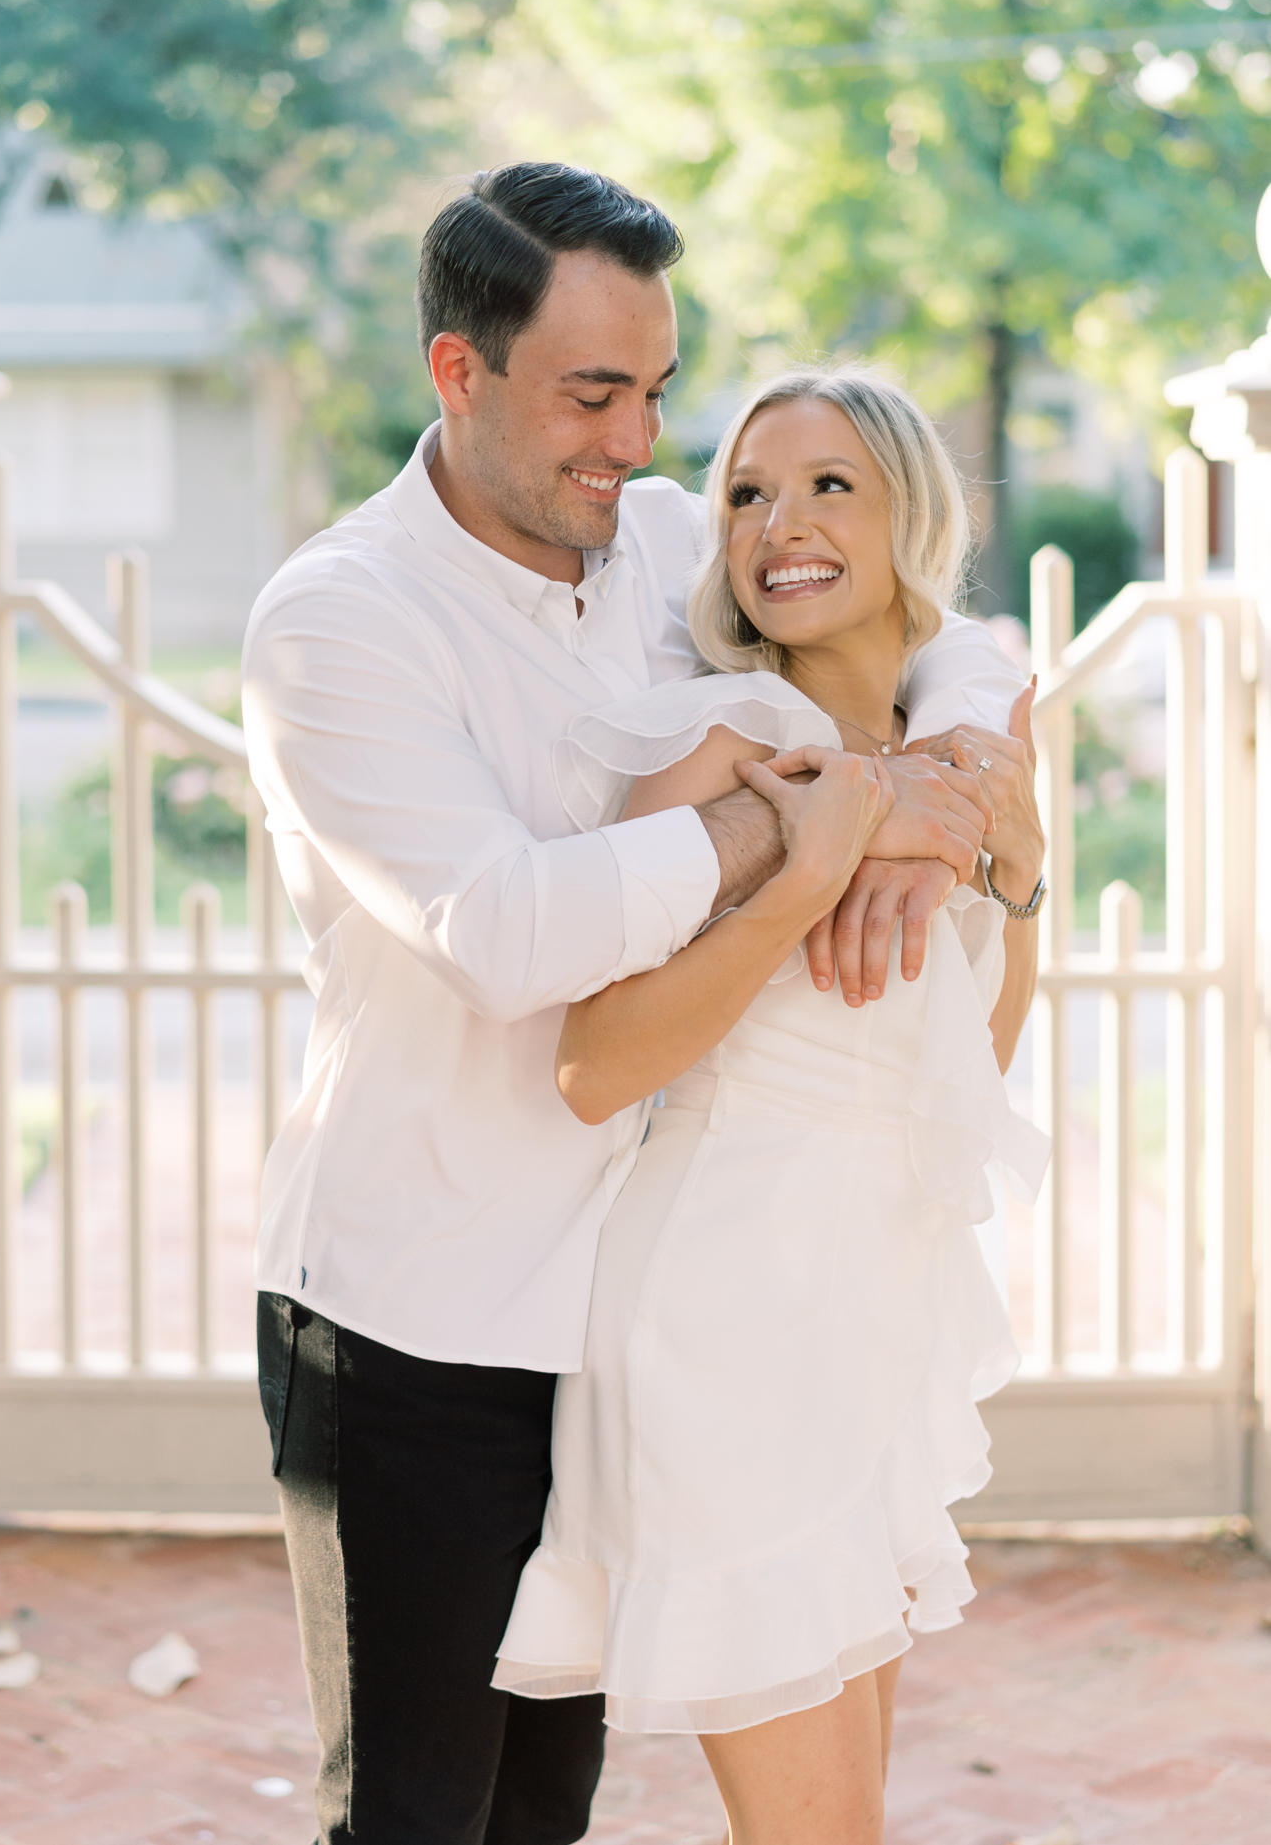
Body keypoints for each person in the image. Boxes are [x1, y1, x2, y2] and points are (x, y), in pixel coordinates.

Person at [240, 163, 1026, 1844]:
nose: (638, 442)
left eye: (656, 390)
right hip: (418, 1319)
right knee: (415, 1815)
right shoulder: (339, 619)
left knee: (544, 1814)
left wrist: (950, 758)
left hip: (622, 1304)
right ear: (460, 373)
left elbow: (920, 609)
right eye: (592, 395)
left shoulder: (661, 534)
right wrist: (798, 824)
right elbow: (510, 931)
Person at [492, 363, 1048, 1845]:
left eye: (825, 486)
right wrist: (805, 865)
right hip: (725, 1311)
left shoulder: (962, 751)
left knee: (841, 1814)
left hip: (863, 1308)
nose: (775, 523)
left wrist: (1019, 873)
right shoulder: (725, 744)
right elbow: (593, 1062)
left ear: (905, 514)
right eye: (744, 490)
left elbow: (965, 1064)